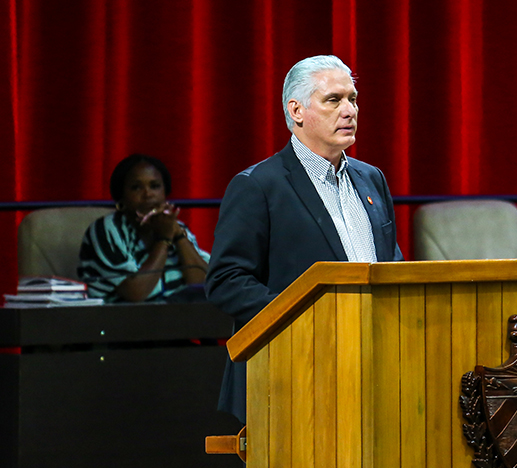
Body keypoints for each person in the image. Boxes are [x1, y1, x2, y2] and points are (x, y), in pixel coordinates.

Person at [206, 55, 403, 423]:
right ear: (296, 111)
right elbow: (226, 282)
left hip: (373, 370)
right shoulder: (259, 186)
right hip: (290, 377)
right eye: (334, 100)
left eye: (353, 99)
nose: (349, 111)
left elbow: (390, 263)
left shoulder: (371, 179)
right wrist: (309, 317)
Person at [78, 154, 210, 302]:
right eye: (136, 188)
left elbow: (204, 284)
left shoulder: (175, 227)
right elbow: (136, 293)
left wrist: (178, 235)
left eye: (155, 186)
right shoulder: (106, 230)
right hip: (121, 320)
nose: (148, 194)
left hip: (179, 318)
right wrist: (164, 239)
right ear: (121, 197)